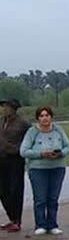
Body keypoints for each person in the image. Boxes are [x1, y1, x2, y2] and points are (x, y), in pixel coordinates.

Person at [20, 106, 69, 236]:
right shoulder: (32, 132)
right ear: (38, 118)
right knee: (40, 198)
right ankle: (40, 224)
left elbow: (68, 146)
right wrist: (41, 154)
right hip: (38, 169)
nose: (44, 118)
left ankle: (52, 224)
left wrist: (60, 154)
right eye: (41, 116)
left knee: (53, 198)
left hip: (57, 168)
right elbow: (23, 151)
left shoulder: (58, 129)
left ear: (51, 117)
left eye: (47, 115)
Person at [0, 98, 30, 232]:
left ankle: (17, 220)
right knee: (3, 190)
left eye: (6, 106)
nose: (4, 109)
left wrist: (17, 149)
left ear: (13, 108)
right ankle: (11, 218)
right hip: (1, 159)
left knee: (15, 190)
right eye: (3, 106)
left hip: (15, 160)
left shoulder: (23, 123)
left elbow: (29, 140)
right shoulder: (1, 121)